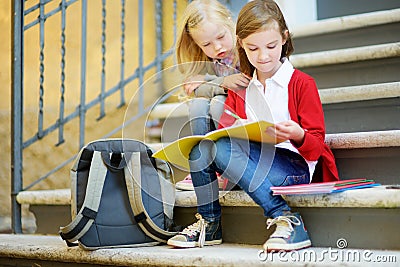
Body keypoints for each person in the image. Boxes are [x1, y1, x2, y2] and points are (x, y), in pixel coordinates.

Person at [167, 0, 339, 251]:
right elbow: (225, 134)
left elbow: (315, 148)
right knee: (202, 149)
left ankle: (287, 219)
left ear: (284, 39)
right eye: (253, 49)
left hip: (294, 166)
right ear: (242, 47)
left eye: (270, 46)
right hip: (256, 161)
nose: (263, 56)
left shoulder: (302, 83)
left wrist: (299, 135)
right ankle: (210, 223)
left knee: (221, 149)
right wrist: (239, 130)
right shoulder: (244, 87)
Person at [174, 0, 250, 191]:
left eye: (221, 37)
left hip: (247, 117)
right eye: (207, 44)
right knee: (199, 105)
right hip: (225, 114)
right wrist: (221, 83)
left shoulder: (247, 49)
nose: (217, 47)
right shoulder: (208, 61)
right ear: (197, 44)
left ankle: (229, 166)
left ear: (229, 22)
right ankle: (203, 170)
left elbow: (243, 84)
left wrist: (209, 82)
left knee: (217, 103)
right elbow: (195, 89)